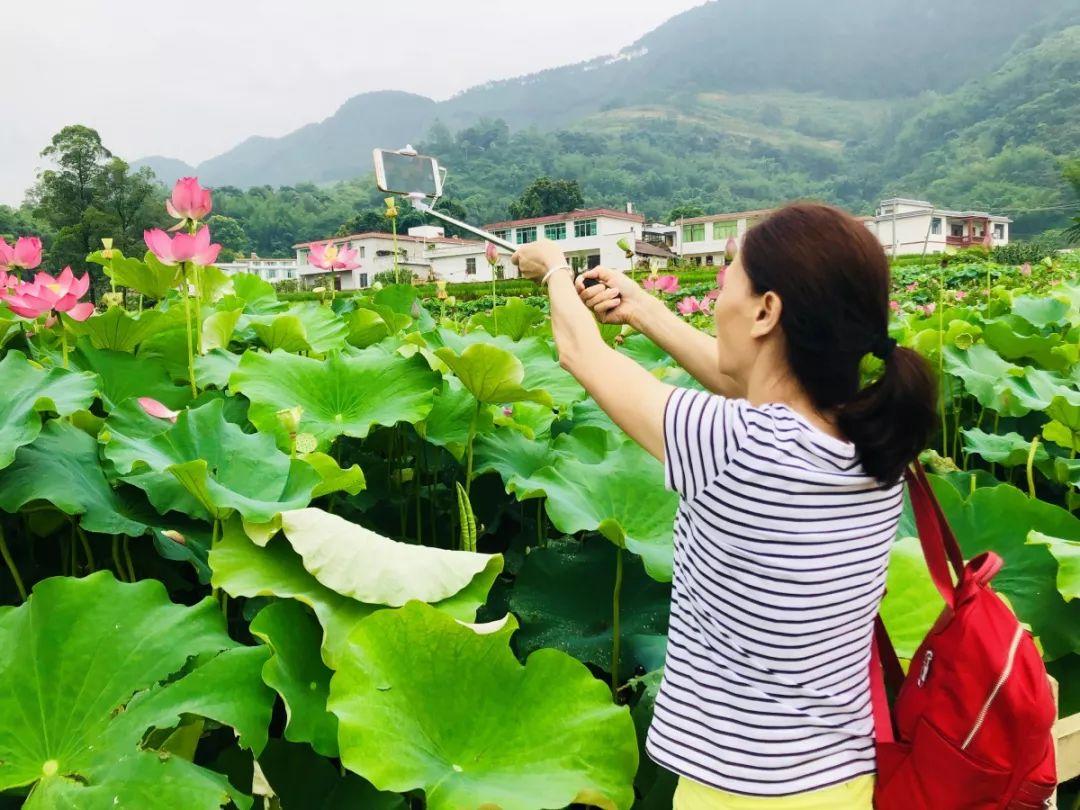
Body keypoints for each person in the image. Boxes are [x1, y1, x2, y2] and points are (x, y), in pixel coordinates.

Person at [511, 202, 936, 810]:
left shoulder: (739, 443)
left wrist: (552, 267)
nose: (716, 302)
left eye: (727, 281)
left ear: (766, 311)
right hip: (843, 779)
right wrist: (645, 311)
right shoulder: (873, 443)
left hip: (738, 791)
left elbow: (586, 357)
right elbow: (756, 384)